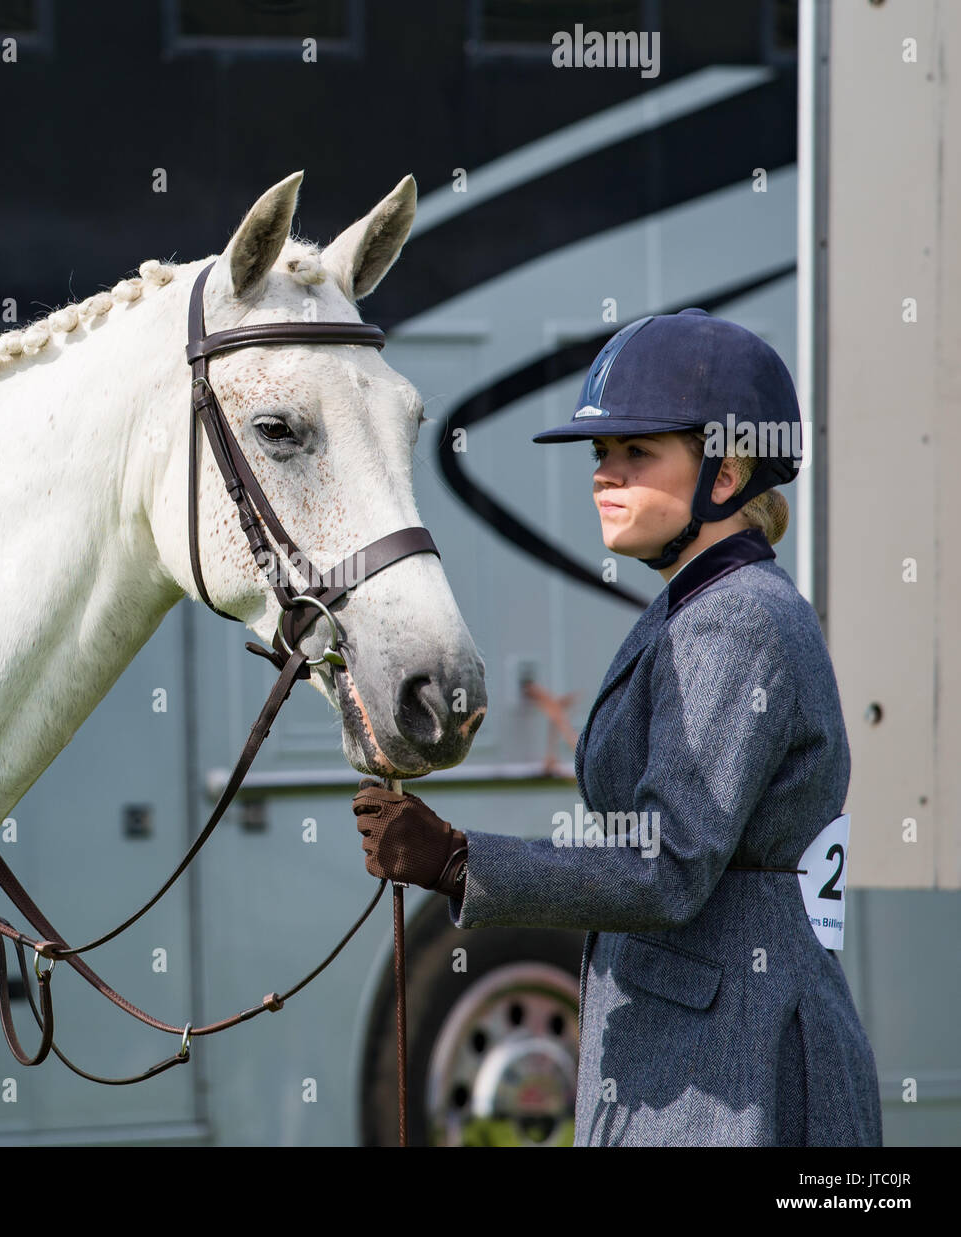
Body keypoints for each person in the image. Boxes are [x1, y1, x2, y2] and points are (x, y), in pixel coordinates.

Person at [352, 309, 883, 1147]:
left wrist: (460, 862)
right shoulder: (696, 605)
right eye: (602, 454)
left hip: (735, 1076)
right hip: (695, 1063)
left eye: (638, 452)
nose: (605, 474)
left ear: (726, 470)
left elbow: (668, 866)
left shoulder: (738, 619)